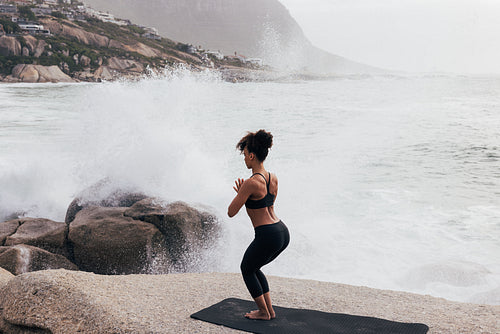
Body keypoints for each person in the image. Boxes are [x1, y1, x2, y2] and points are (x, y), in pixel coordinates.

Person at [228, 129, 290, 320]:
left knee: (247, 269)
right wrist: (244, 194)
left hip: (267, 234)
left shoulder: (251, 183)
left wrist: (241, 193)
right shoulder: (273, 177)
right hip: (282, 231)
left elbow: (231, 212)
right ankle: (269, 311)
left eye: (245, 155)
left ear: (252, 155)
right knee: (254, 268)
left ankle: (263, 312)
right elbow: (264, 203)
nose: (244, 159)